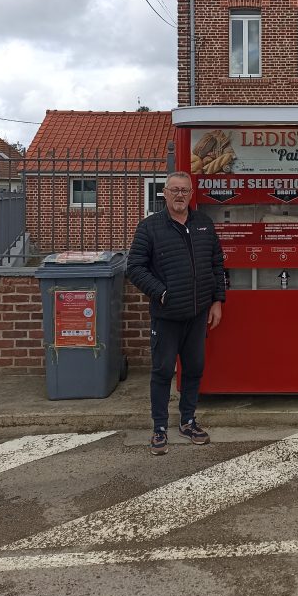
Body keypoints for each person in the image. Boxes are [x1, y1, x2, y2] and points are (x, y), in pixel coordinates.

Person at [126, 170, 225, 456]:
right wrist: (162, 292)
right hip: (166, 316)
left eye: (184, 190)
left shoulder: (204, 224)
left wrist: (217, 300)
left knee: (194, 369)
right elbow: (135, 268)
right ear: (165, 193)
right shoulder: (150, 227)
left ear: (192, 193)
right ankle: (159, 427)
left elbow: (217, 264)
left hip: (197, 314)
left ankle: (188, 421)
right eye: (174, 190)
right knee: (162, 371)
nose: (179, 195)